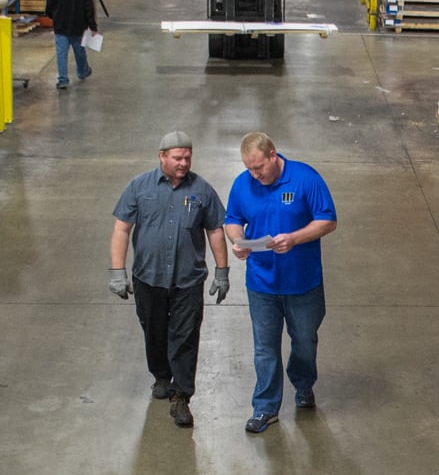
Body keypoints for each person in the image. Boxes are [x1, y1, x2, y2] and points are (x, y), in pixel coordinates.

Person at [109, 131, 230, 428]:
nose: (183, 163)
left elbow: (215, 230)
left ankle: (181, 396)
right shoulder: (139, 186)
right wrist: (117, 271)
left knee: (185, 336)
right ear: (162, 156)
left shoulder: (202, 190)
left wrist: (222, 272)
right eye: (177, 157)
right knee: (154, 330)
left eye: (187, 157)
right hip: (148, 278)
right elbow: (122, 228)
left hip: (188, 279)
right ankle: (161, 375)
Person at [225, 132, 337, 434]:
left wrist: (295, 238)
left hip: (302, 283)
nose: (254, 174)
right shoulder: (243, 184)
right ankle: (265, 407)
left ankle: (303, 385)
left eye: (259, 167)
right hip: (262, 283)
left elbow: (328, 219)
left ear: (273, 155)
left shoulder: (305, 178)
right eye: (249, 168)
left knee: (304, 339)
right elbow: (232, 218)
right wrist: (237, 241)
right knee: (264, 348)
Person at [45, 0, 97, 90]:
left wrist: (54, 19)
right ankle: (83, 72)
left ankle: (63, 79)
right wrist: (93, 26)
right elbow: (89, 9)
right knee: (80, 51)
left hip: (61, 28)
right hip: (78, 27)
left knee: (61, 54)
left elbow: (48, 8)